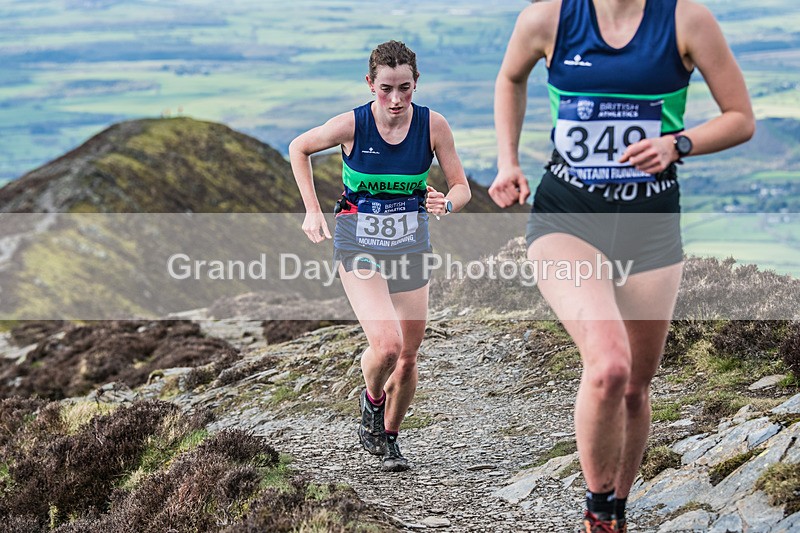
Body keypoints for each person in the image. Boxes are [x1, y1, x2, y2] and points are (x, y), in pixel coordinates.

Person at [490, 0, 753, 531]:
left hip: (650, 226)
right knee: (609, 366)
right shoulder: (548, 20)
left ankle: (617, 509)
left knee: (635, 384)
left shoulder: (686, 20)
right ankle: (598, 512)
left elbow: (741, 119)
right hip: (568, 217)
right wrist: (508, 160)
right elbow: (510, 78)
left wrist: (678, 144)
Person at [289, 40, 471, 472]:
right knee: (387, 346)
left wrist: (447, 203)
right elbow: (299, 147)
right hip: (359, 244)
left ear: (416, 83)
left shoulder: (433, 126)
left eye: (404, 88)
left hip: (410, 245)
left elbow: (460, 186)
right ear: (370, 83)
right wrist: (312, 210)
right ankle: (372, 399)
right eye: (385, 88)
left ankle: (387, 438)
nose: (395, 99)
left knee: (408, 357)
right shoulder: (351, 124)